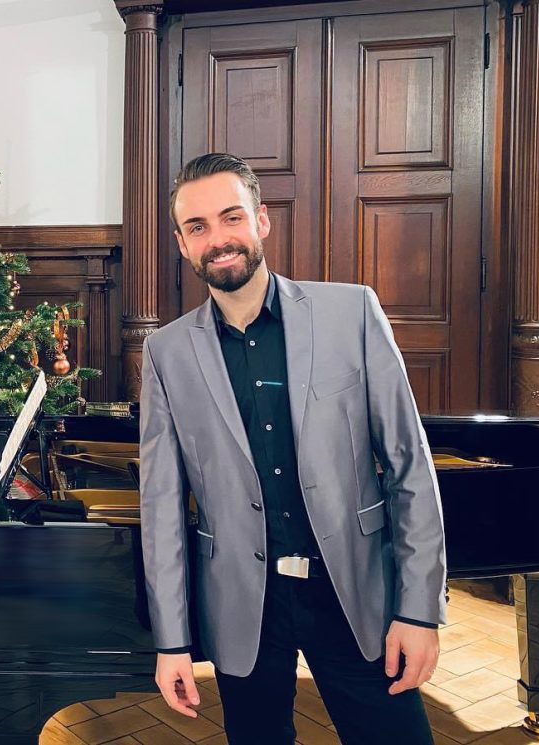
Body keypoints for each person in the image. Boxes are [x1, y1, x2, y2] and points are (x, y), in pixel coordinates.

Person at [139, 153, 445, 745]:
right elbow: (162, 509)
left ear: (261, 221)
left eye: (231, 218)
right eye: (197, 227)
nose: (218, 239)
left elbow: (411, 467)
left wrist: (418, 609)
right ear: (182, 244)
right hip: (242, 603)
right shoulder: (166, 353)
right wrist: (172, 641)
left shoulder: (352, 312)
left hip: (354, 589)